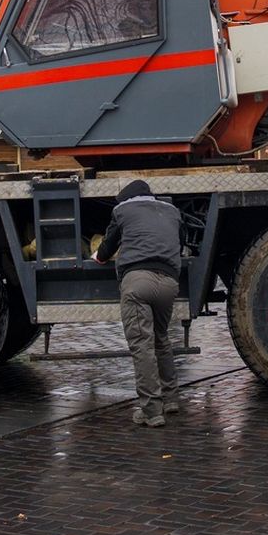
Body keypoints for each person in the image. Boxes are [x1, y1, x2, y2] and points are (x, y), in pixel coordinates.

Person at [93, 179, 184, 427]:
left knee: (142, 346)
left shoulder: (122, 210)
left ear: (126, 199)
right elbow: (182, 242)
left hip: (137, 282)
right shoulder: (172, 211)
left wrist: (98, 257)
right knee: (161, 338)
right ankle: (171, 399)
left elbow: (106, 249)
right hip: (168, 283)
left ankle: (151, 411)